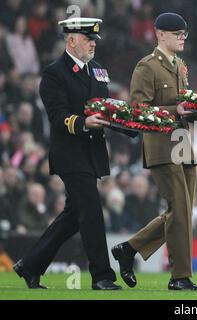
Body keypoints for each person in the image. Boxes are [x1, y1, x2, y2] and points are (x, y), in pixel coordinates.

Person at [13, 17, 132, 290]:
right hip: (70, 152)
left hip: (92, 152)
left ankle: (30, 265)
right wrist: (82, 122)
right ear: (71, 40)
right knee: (91, 210)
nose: (93, 44)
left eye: (94, 40)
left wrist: (132, 125)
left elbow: (106, 108)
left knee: (73, 216)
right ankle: (102, 276)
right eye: (88, 39)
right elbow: (57, 115)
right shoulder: (55, 73)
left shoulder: (98, 70)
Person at [111, 12, 197, 291]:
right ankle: (180, 276)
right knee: (178, 209)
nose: (182, 38)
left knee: (183, 211)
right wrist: (174, 111)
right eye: (176, 33)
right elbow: (138, 111)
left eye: (184, 33)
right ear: (159, 34)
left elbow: (182, 106)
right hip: (161, 145)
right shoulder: (147, 67)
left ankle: (129, 249)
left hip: (183, 144)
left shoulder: (179, 66)